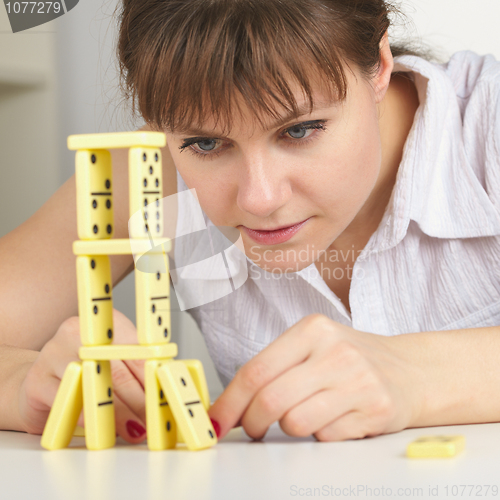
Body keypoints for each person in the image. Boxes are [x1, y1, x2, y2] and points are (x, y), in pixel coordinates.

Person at [1, 0, 499, 444]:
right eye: (207, 144)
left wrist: (418, 375)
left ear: (379, 66)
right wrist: (26, 382)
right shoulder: (148, 176)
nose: (259, 199)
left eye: (300, 130)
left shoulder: (487, 123)